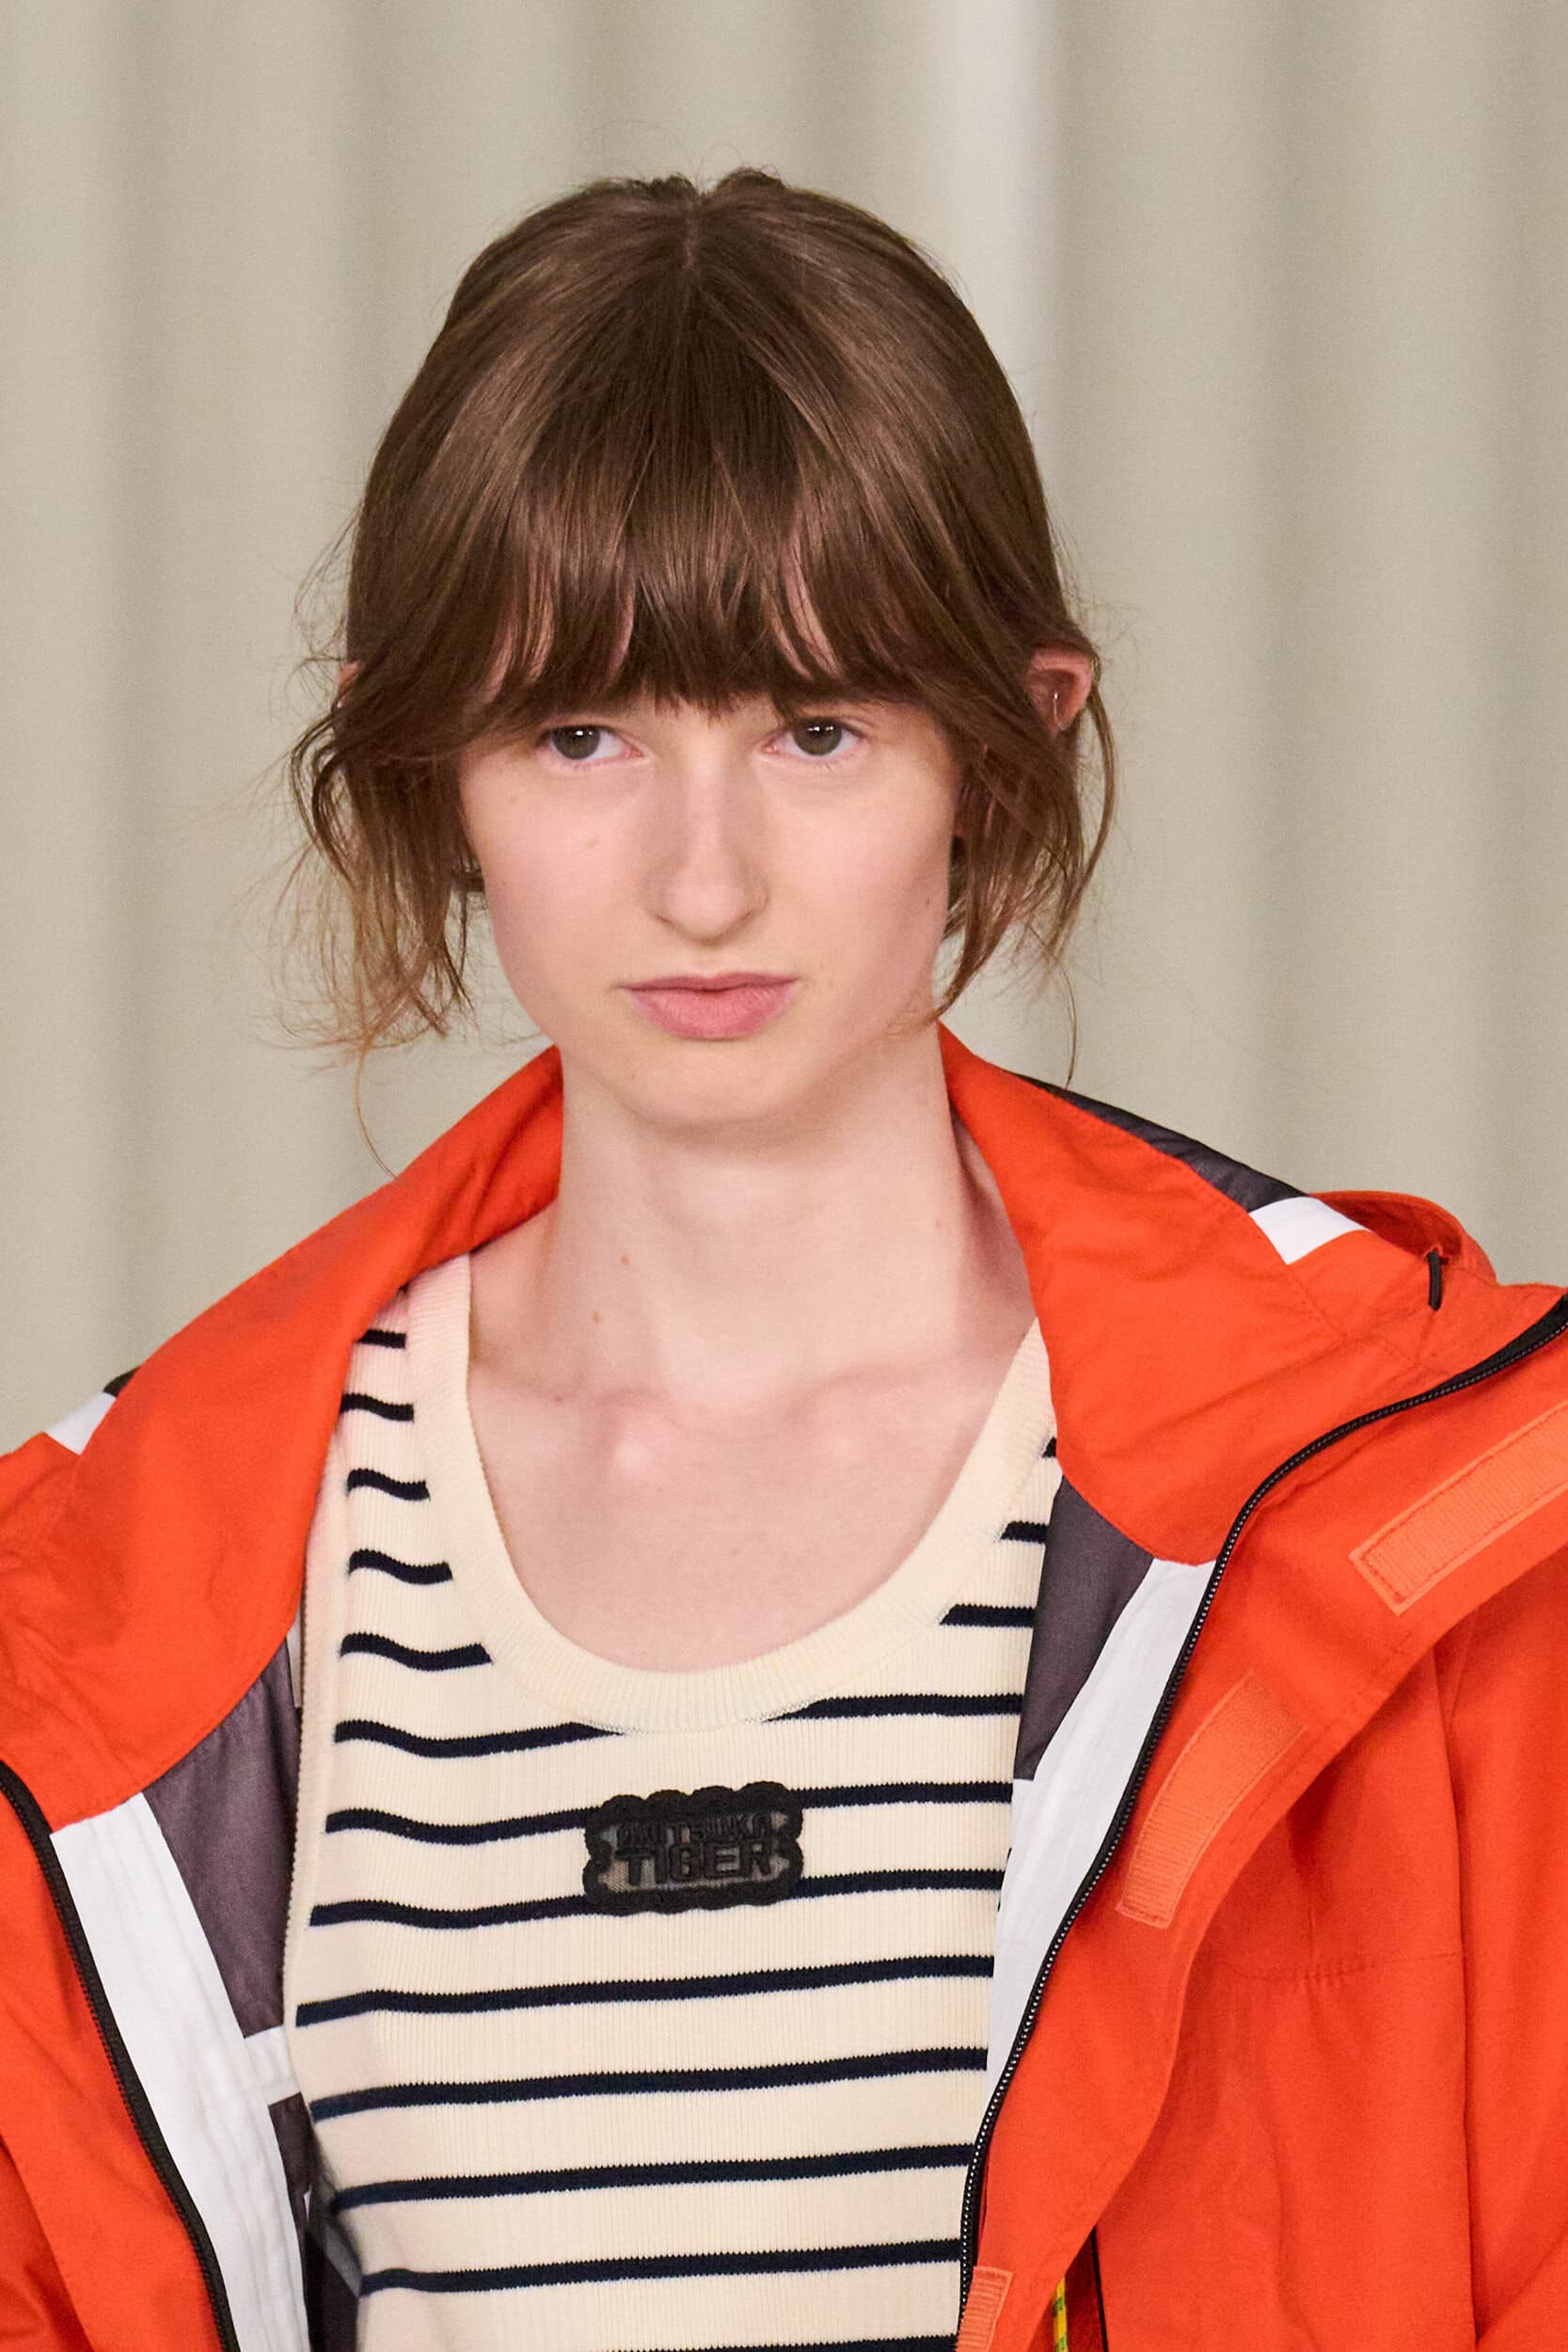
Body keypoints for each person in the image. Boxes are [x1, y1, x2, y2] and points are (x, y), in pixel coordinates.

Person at [1, 167, 1565, 2352]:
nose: (703, 877)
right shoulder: (117, 1613)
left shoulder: (1420, 1517)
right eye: (583, 734)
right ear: (431, 764)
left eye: (815, 730)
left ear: (1005, 739)